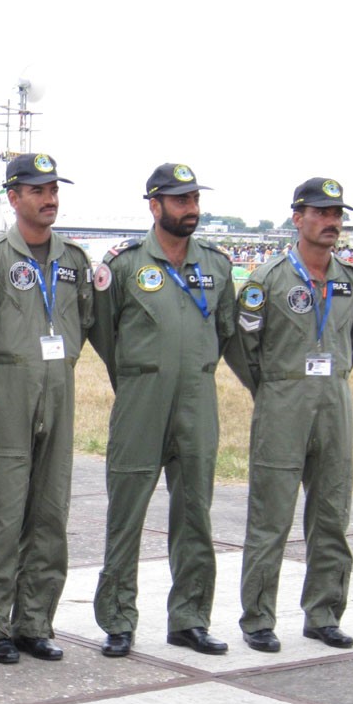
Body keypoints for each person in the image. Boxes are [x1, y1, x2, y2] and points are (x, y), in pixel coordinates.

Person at [89, 163, 237, 658]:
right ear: (155, 206)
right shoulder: (126, 263)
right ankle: (117, 619)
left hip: (197, 399)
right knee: (127, 511)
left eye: (194, 199)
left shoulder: (216, 265)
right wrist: (138, 375)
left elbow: (225, 331)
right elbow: (104, 331)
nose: (190, 209)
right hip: (141, 400)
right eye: (179, 200)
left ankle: (190, 619)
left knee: (195, 510)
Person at [0, 153, 94, 664]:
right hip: (6, 391)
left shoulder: (73, 261)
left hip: (58, 392)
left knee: (49, 512)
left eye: (54, 188)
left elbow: (82, 321)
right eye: (37, 190)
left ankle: (34, 621)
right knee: (0, 514)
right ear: (13, 197)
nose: (49, 198)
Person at [224, 178, 353, 652]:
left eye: (337, 214)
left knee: (332, 512)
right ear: (297, 216)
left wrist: (328, 379)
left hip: (334, 403)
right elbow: (244, 346)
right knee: (271, 516)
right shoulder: (269, 279)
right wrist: (272, 388)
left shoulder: (348, 278)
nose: (332, 223)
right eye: (321, 213)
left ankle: (323, 613)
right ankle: (258, 618)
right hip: (282, 402)